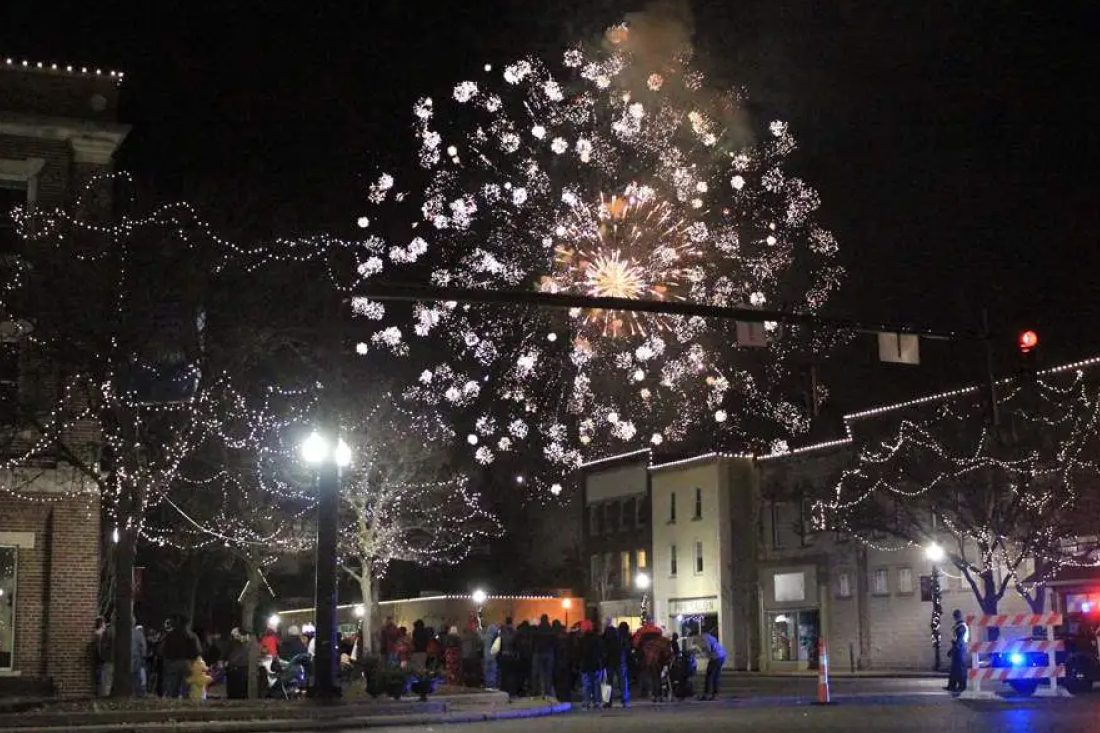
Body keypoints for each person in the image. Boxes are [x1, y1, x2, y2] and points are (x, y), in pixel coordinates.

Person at [159, 614, 202, 698]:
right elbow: (198, 650)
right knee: (187, 688)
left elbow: (161, 650)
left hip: (172, 663)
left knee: (172, 687)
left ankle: (172, 703)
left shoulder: (169, 636)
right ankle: (186, 704)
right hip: (187, 663)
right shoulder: (191, 636)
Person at [578, 619, 604, 710]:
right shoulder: (597, 638)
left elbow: (579, 653)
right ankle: (597, 702)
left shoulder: (582, 639)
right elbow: (601, 651)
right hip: (596, 664)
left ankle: (586, 702)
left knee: (586, 685)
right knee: (597, 684)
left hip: (585, 665)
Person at [603, 620, 630, 708]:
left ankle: (607, 701)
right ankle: (624, 700)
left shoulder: (608, 635)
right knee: (622, 681)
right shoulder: (622, 636)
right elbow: (626, 648)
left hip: (609, 660)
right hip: (620, 659)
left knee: (607, 682)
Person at [696, 626, 726, 701]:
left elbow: (708, 649)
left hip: (715, 657)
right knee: (715, 676)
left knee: (709, 676)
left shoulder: (704, 637)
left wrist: (701, 652)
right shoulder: (711, 637)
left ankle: (707, 694)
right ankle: (715, 694)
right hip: (722, 655)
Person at [531, 614, 556, 698]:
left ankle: (540, 691)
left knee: (539, 673)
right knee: (548, 674)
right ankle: (547, 691)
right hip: (549, 652)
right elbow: (554, 642)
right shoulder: (551, 630)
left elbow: (533, 642)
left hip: (539, 653)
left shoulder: (538, 630)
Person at [946, 609, 969, 693]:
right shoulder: (959, 625)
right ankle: (952, 685)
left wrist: (952, 650)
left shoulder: (961, 626)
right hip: (958, 648)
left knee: (960, 669)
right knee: (954, 668)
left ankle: (962, 686)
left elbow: (959, 640)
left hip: (960, 649)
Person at [225, 628, 251, 699]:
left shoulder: (239, 646)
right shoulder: (240, 645)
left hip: (237, 670)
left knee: (236, 691)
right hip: (239, 670)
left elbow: (233, 659)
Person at [497, 616, 517, 696]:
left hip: (504, 655)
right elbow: (516, 643)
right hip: (511, 656)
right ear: (511, 622)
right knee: (511, 674)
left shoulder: (502, 632)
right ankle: (511, 691)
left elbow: (499, 644)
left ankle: (503, 690)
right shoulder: (514, 632)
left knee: (503, 674)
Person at [481, 623, 500, 689]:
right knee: (493, 671)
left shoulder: (485, 637)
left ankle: (487, 684)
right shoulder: (496, 638)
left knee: (486, 671)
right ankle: (492, 684)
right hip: (494, 656)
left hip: (486, 656)